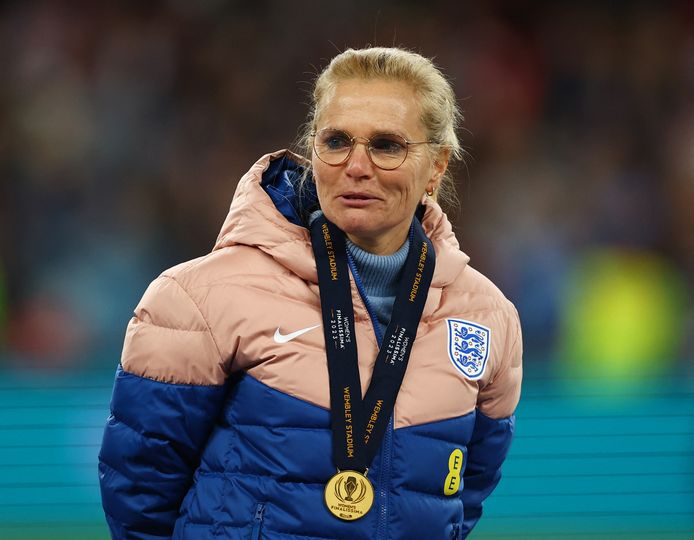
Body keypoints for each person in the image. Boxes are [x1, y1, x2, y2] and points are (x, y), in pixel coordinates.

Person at [98, 46, 522, 540]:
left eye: (386, 145)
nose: (357, 165)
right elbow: (139, 494)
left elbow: (466, 491)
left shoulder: (488, 316)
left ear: (437, 166)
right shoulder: (199, 298)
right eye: (337, 141)